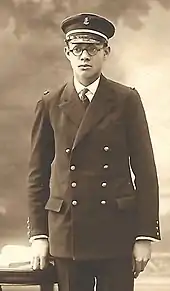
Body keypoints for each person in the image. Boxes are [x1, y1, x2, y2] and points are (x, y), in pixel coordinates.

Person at [27, 12, 161, 291]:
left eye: (92, 48)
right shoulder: (51, 103)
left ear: (106, 52)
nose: (84, 56)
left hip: (116, 231)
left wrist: (144, 235)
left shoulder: (126, 100)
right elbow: (37, 175)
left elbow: (145, 171)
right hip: (67, 234)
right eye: (77, 49)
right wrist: (39, 235)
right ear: (67, 53)